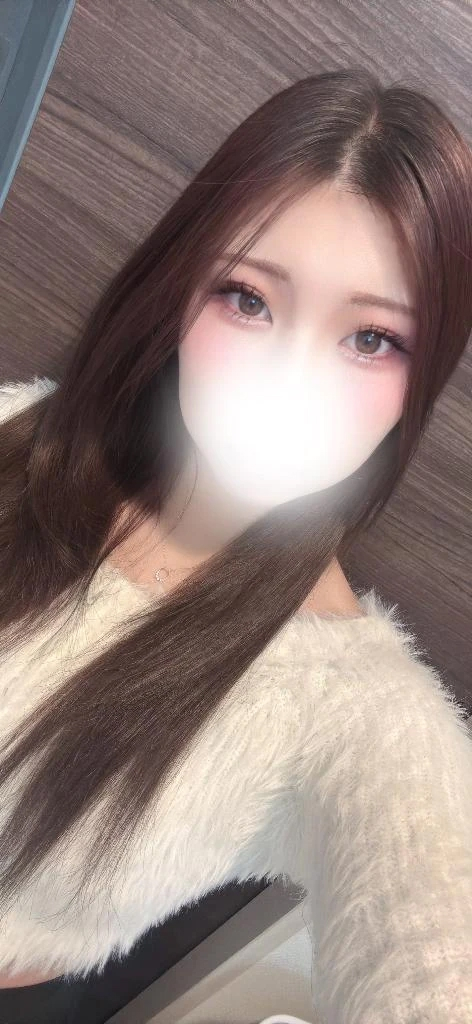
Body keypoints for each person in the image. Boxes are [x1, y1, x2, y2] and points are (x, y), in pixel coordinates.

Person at [0, 67, 471, 1023]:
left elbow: (432, 951)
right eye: (248, 298)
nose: (290, 379)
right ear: (179, 294)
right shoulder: (14, 437)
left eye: (372, 339)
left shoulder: (355, 711)